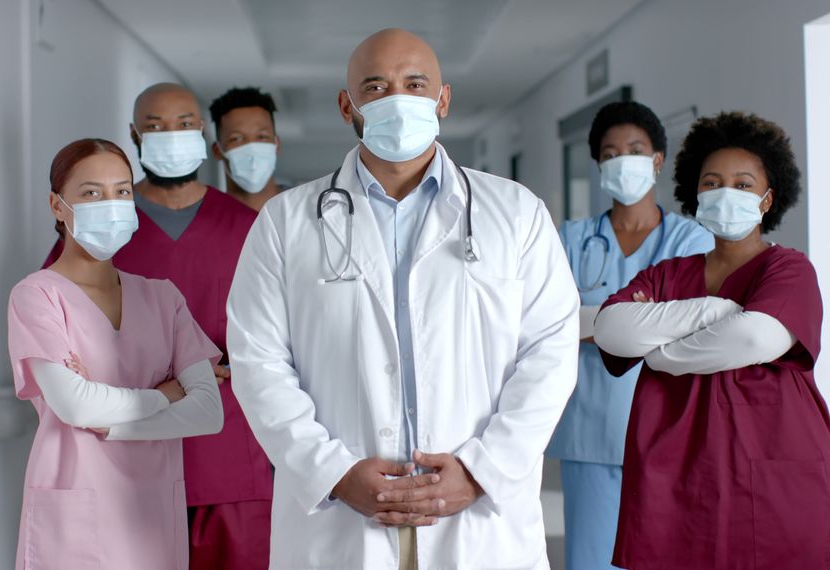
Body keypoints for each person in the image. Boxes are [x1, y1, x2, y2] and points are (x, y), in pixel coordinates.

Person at [226, 28, 580, 569]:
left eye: (415, 84)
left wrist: (482, 470)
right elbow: (259, 363)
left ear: (443, 98)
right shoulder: (285, 222)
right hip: (343, 516)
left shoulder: (516, 213)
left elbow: (551, 355)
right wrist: (334, 473)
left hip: (477, 516)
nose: (397, 99)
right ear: (349, 105)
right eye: (376, 86)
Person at [593, 111, 830, 568]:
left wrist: (662, 354)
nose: (726, 193)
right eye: (712, 182)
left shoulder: (788, 270)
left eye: (743, 185)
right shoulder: (670, 272)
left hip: (771, 467)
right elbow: (611, 330)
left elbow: (754, 338)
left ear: (767, 200)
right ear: (695, 194)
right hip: (678, 470)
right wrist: (716, 311)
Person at [43, 84, 271, 569]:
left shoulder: (247, 226)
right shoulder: (101, 230)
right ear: (133, 135)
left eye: (185, 124)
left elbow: (283, 334)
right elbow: (60, 345)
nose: (172, 137)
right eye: (155, 126)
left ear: (204, 134)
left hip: (228, 456)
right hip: (124, 459)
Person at [9, 138, 224, 570]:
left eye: (122, 191)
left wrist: (109, 423)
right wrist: (164, 395)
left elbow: (208, 413)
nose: (110, 204)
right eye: (91, 193)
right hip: (74, 498)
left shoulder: (164, 298)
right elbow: (73, 405)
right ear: (57, 205)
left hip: (152, 507)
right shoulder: (37, 296)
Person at [545, 101, 713, 570]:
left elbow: (691, 322)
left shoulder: (690, 240)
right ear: (599, 164)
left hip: (668, 430)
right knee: (593, 561)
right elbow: (546, 321)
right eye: (610, 152)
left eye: (634, 150)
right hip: (590, 435)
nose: (622, 160)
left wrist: (590, 321)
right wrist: (640, 320)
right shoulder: (571, 238)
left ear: (657, 160)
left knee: (665, 557)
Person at [210, 86, 283, 211]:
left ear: (277, 144)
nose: (252, 149)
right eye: (237, 138)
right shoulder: (210, 219)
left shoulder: (304, 207)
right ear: (217, 151)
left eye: (262, 137)